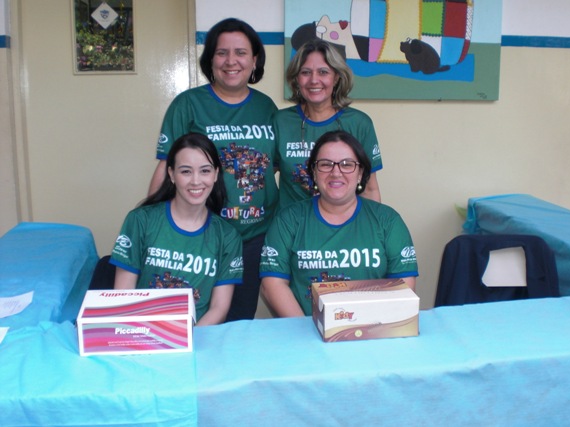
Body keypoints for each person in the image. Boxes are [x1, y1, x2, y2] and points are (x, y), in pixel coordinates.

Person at [148, 18, 278, 321]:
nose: (231, 61)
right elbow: (165, 167)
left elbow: (273, 166)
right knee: (196, 316)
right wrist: (152, 226)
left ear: (255, 60)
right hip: (202, 235)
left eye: (241, 52)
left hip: (254, 236)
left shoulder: (267, 107)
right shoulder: (187, 104)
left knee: (238, 319)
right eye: (222, 53)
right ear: (210, 59)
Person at [260, 130, 418, 317]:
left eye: (347, 164)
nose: (336, 172)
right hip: (305, 328)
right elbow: (272, 284)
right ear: (314, 172)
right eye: (325, 164)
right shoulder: (288, 220)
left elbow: (403, 284)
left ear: (360, 173)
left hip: (373, 327)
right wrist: (304, 329)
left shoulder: (388, 221)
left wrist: (370, 326)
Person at [110, 133, 243, 326]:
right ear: (171, 174)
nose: (196, 181)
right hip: (141, 332)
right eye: (186, 171)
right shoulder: (140, 220)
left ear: (216, 174)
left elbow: (219, 309)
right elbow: (122, 295)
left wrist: (189, 338)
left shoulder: (228, 236)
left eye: (205, 171)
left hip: (197, 335)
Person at [274, 39, 383, 210]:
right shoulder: (280, 121)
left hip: (344, 222)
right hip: (292, 223)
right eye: (305, 72)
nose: (314, 80)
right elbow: (263, 180)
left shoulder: (359, 123)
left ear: (337, 77)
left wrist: (372, 224)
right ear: (296, 78)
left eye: (323, 72)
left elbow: (369, 189)